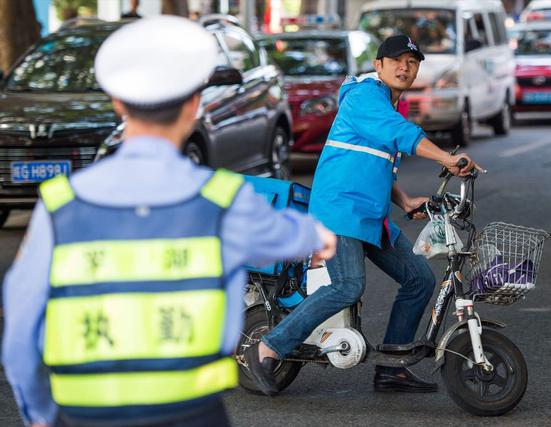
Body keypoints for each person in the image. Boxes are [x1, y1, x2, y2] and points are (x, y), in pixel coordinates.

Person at [2, 16, 336, 427]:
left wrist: (37, 413)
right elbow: (296, 236)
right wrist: (317, 236)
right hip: (189, 412)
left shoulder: (59, 205)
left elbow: (20, 332)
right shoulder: (223, 200)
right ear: (194, 105)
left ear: (117, 104)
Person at [246, 34, 481, 395]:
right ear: (378, 65)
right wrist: (448, 158)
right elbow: (398, 134)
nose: (405, 67)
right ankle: (267, 348)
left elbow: (377, 163)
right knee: (348, 285)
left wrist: (402, 201)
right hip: (339, 210)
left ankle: (392, 370)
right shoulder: (363, 97)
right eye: (396, 60)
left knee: (419, 280)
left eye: (412, 62)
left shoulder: (391, 104)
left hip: (370, 215)